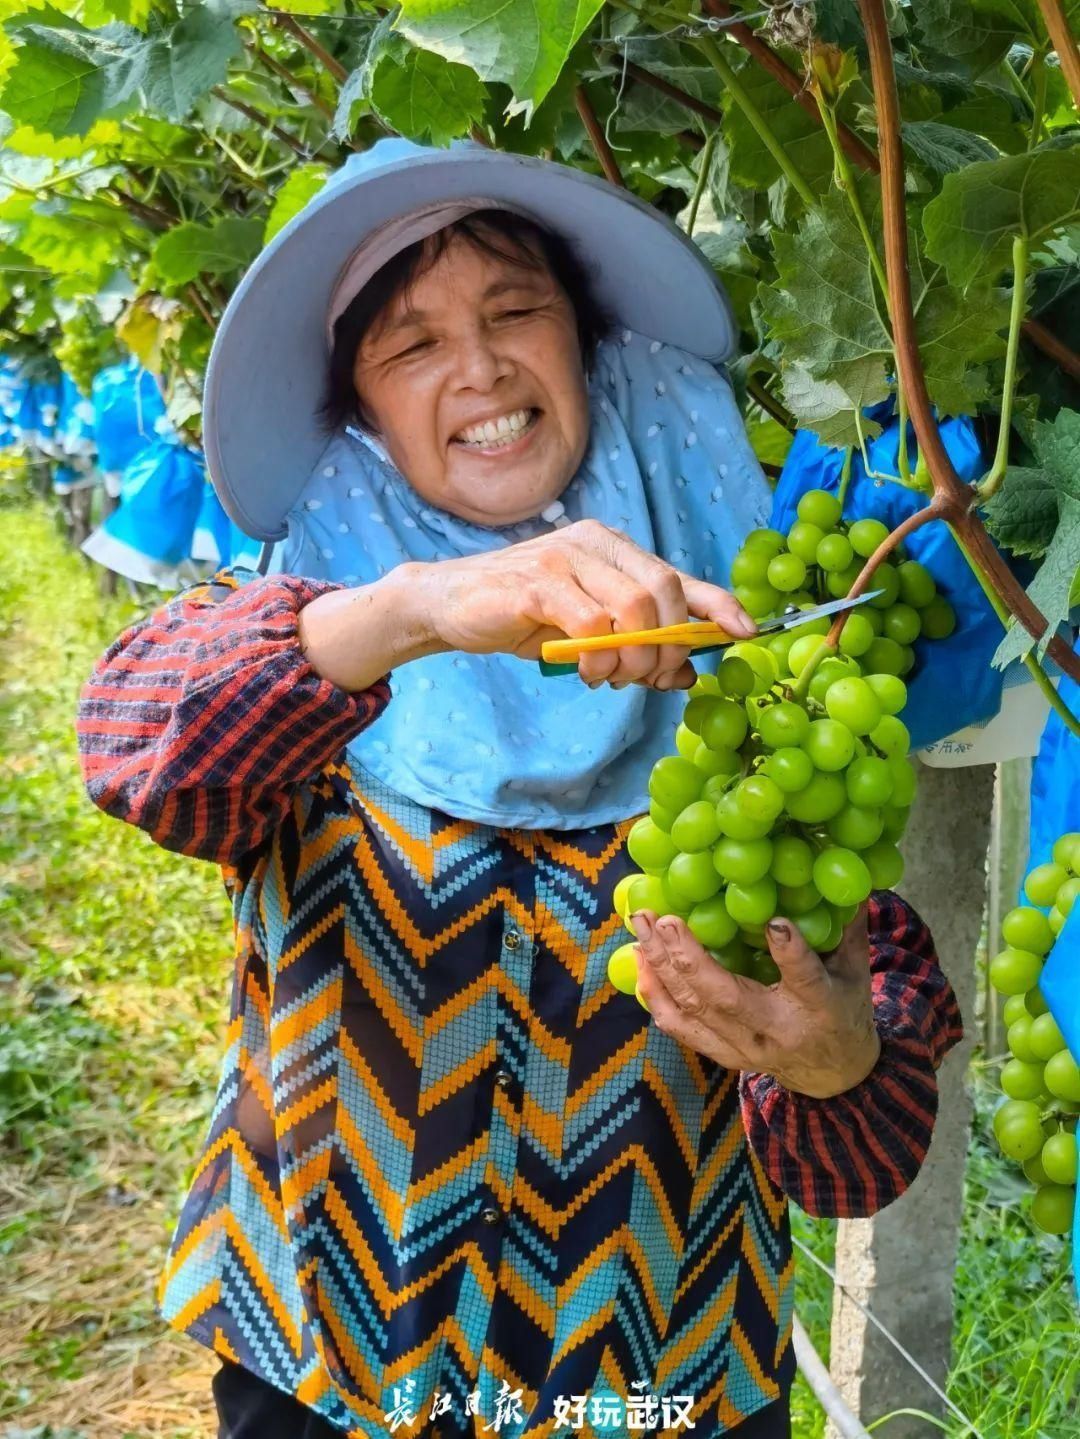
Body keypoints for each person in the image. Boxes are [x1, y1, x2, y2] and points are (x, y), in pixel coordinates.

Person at [75, 139, 961, 1439]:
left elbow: (859, 1164)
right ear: (362, 412)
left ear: (593, 354)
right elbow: (131, 748)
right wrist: (414, 610)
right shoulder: (306, 639)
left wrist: (835, 1063)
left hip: (666, 1392)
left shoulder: (758, 685)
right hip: (329, 1381)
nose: (480, 369)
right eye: (411, 344)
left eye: (513, 311)